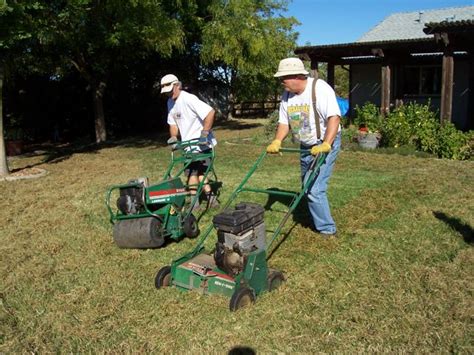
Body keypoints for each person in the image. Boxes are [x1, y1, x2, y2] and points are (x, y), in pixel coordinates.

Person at [267, 58, 341, 238]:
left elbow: (334, 117)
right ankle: (315, 217)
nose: (281, 81)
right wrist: (277, 141)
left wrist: (326, 144)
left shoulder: (319, 89)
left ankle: (327, 229)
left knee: (314, 189)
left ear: (297, 76)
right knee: (306, 186)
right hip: (305, 145)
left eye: (283, 77)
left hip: (325, 143)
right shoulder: (287, 95)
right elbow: (284, 122)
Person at [160, 73, 218, 210]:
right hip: (188, 145)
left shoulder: (188, 99)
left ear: (177, 86)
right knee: (197, 173)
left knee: (194, 173)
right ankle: (209, 200)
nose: (168, 94)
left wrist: (204, 134)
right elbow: (173, 124)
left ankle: (196, 203)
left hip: (202, 144)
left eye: (170, 91)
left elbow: (210, 112)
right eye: (166, 92)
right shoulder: (170, 103)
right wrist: (174, 138)